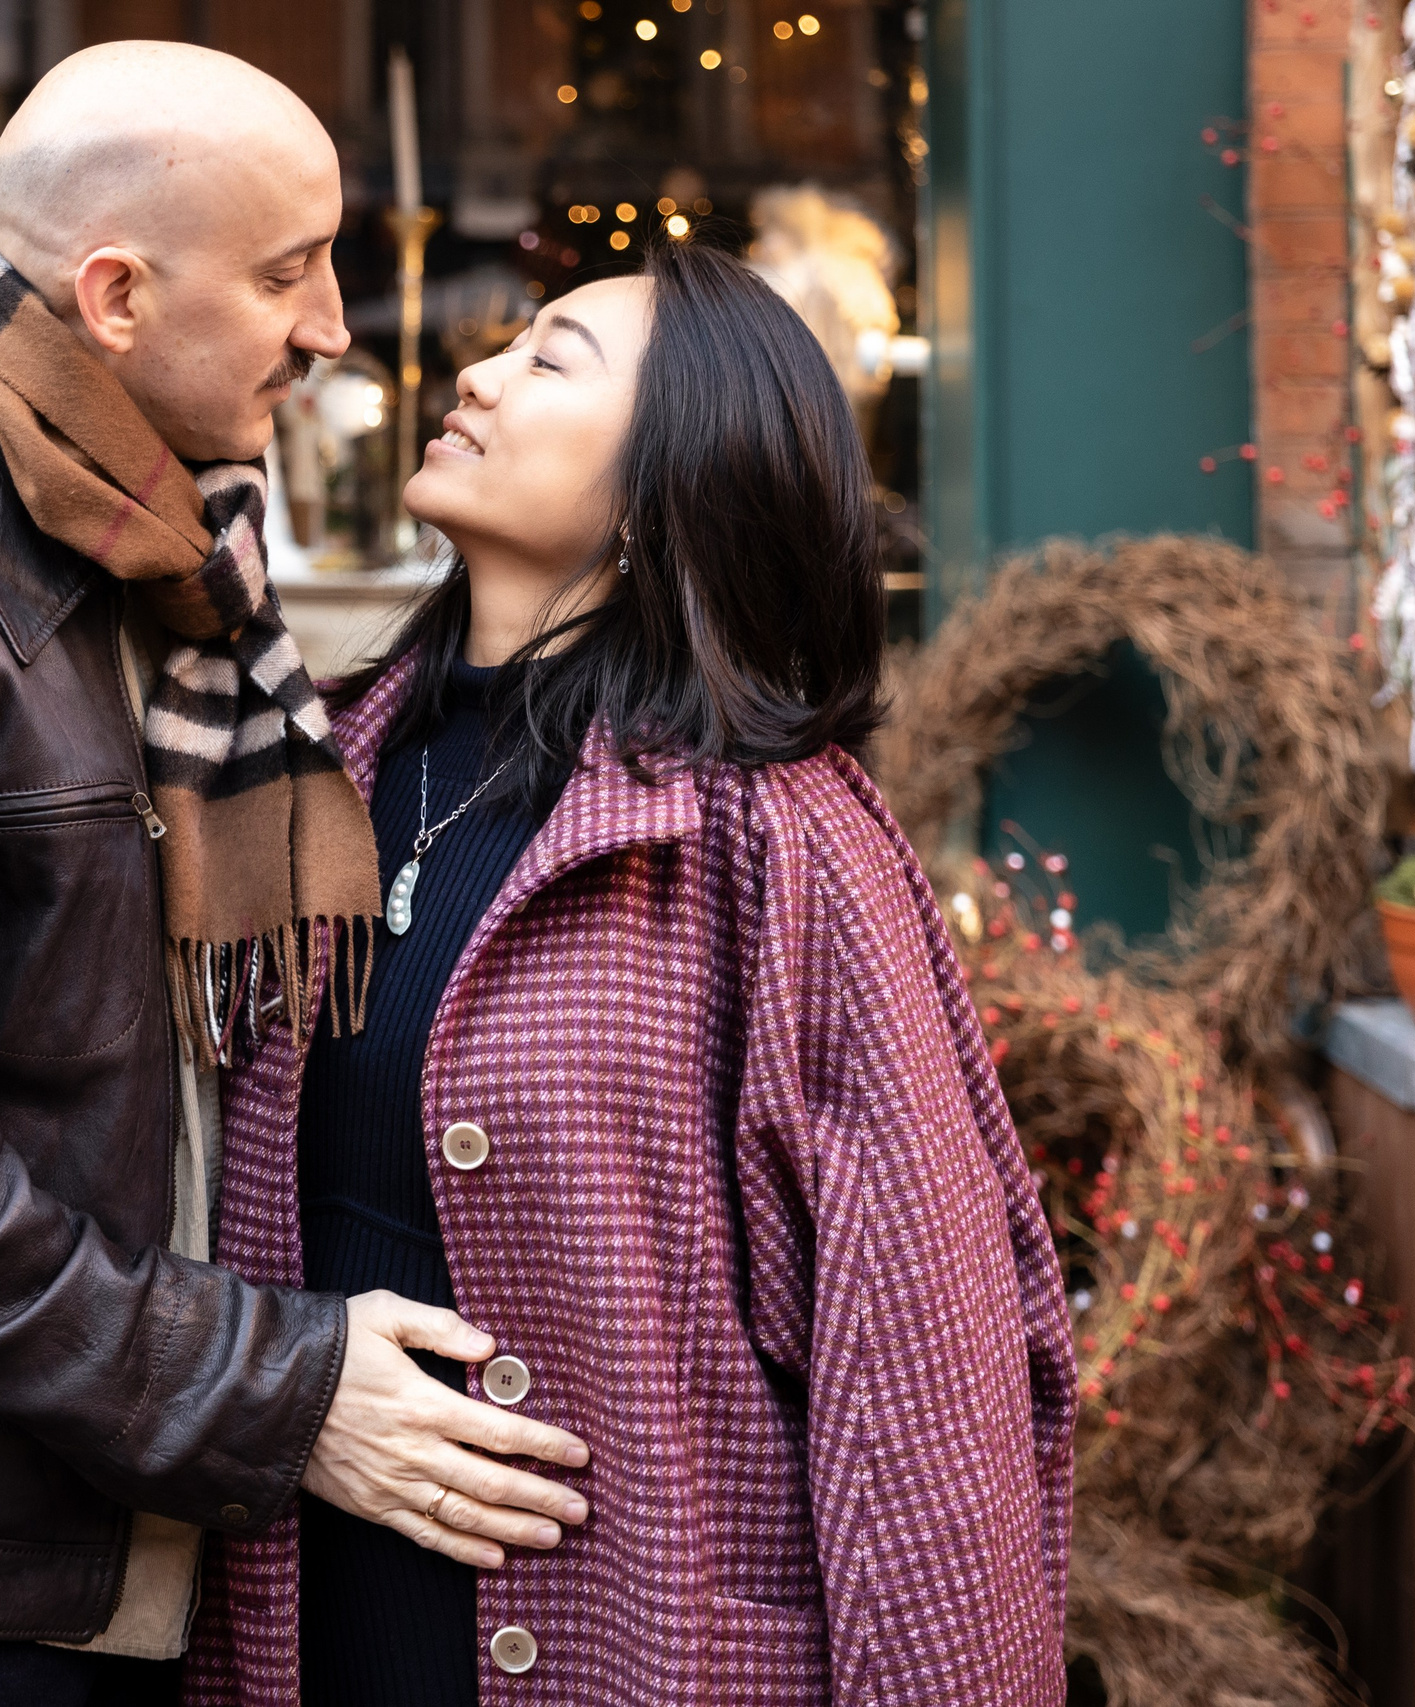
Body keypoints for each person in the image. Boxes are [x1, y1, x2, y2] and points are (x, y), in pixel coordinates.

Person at [0, 42, 589, 1707]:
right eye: (288, 272)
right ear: (117, 297)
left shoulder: (175, 548)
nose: (334, 327)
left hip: (125, 1545)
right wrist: (279, 1389)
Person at [184, 239, 1079, 1706]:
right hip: (301, 1637)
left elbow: (924, 1376)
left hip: (637, 1653)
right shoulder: (308, 769)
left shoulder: (775, 844)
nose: (473, 372)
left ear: (672, 484)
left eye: (550, 360)